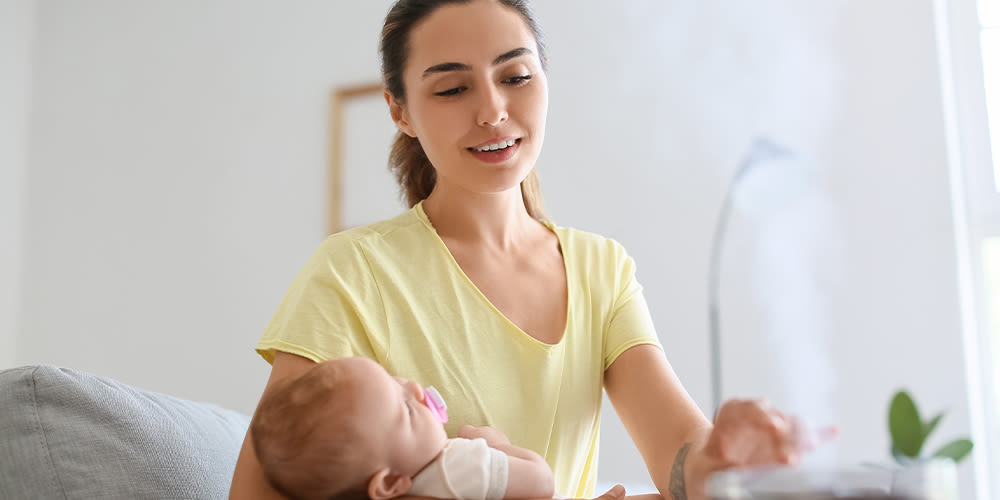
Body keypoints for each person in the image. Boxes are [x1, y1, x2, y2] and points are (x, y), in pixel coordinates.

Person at [230, 1, 833, 499]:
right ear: (400, 110)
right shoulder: (352, 272)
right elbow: (259, 492)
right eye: (452, 88)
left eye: (515, 77)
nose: (493, 110)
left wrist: (724, 461)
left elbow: (678, 452)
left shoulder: (602, 270)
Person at [251, 356, 555, 500]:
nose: (413, 387)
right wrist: (495, 443)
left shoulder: (411, 483)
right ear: (391, 481)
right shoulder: (455, 467)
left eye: (392, 380)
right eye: (408, 410)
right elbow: (542, 481)